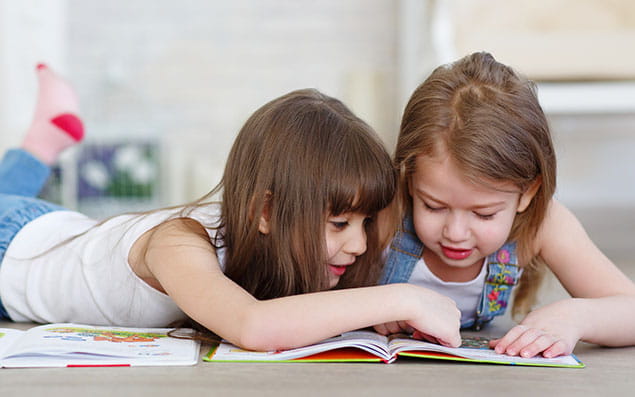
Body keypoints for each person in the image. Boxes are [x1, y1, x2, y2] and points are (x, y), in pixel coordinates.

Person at [0, 64, 462, 351]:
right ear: (265, 212)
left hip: (49, 228)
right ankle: (40, 145)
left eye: (364, 223)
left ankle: (42, 143)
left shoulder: (264, 244)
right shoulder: (178, 244)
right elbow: (253, 326)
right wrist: (404, 297)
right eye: (339, 222)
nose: (359, 244)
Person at [378, 52, 635, 358]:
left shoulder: (543, 225)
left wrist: (576, 316)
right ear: (408, 179)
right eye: (433, 206)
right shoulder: (386, 211)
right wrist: (371, 305)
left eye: (484, 214)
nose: (456, 232)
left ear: (527, 193)